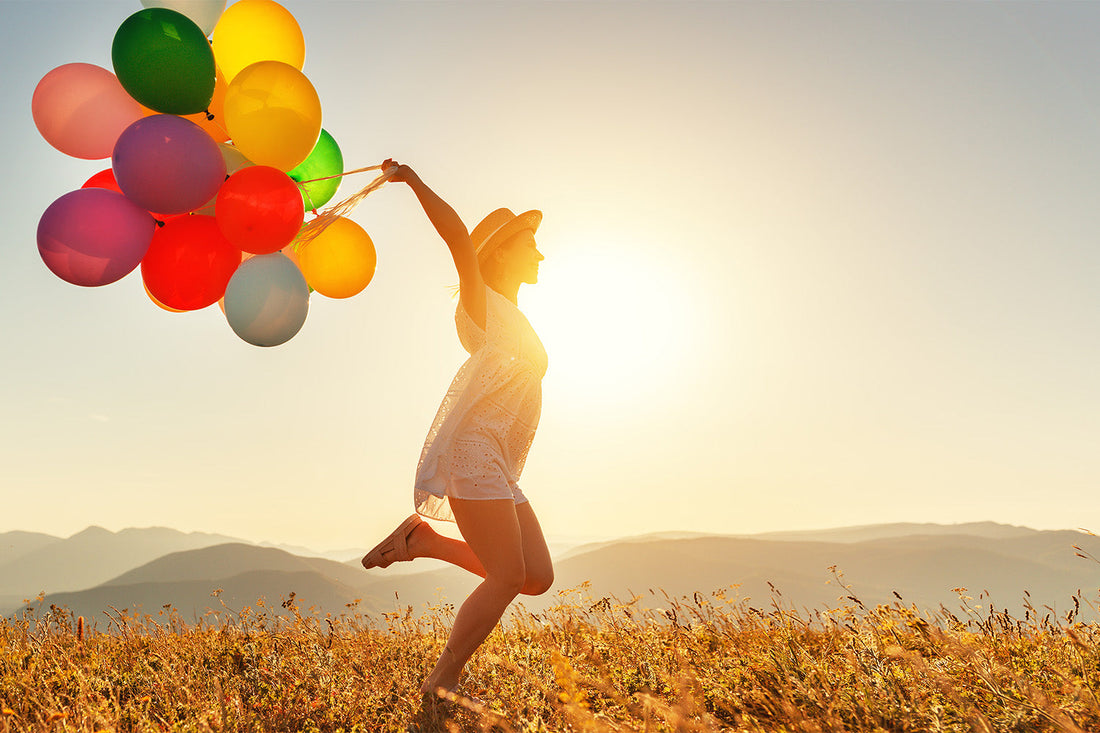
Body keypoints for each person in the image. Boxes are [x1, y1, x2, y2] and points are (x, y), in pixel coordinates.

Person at [361, 160, 554, 698]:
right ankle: (441, 682)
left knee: (535, 576)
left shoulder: (515, 315)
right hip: (472, 454)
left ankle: (423, 540)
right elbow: (457, 241)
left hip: (497, 460)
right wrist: (415, 183)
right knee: (508, 577)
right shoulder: (483, 304)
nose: (540, 253)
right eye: (529, 244)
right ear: (499, 253)